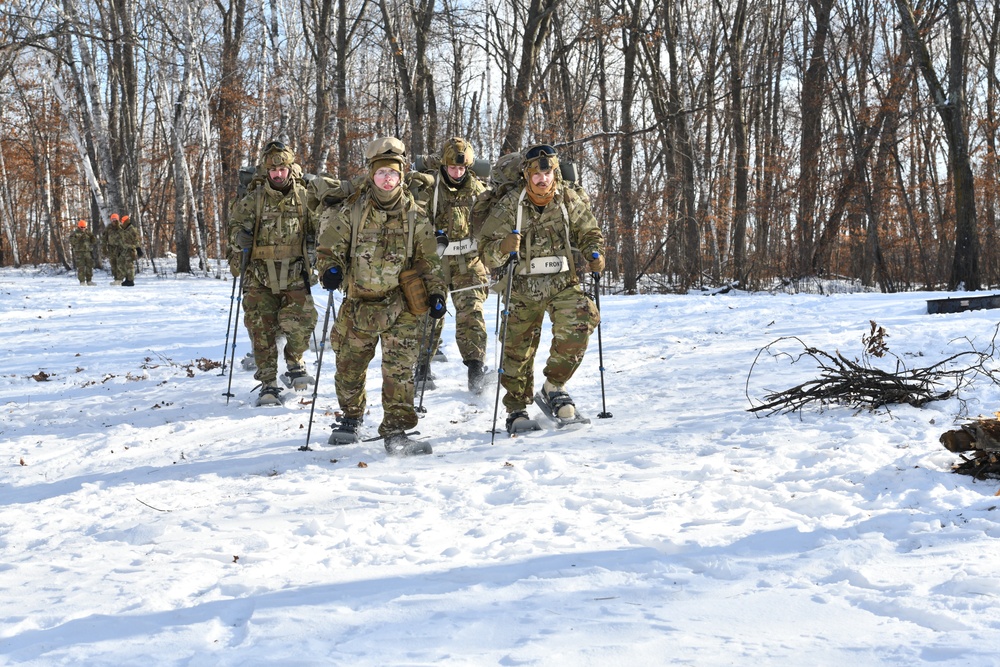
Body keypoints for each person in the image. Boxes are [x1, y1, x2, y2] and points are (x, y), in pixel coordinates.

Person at [314, 136, 446, 455]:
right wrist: (330, 269)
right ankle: (351, 418)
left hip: (401, 305)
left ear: (402, 176)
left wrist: (436, 293)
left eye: (393, 174)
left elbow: (428, 261)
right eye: (381, 173)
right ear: (371, 176)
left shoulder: (415, 216)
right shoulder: (352, 212)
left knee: (399, 371)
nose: (387, 179)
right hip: (359, 304)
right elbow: (329, 248)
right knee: (349, 366)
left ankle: (396, 431)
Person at [477, 143, 604, 434]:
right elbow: (486, 253)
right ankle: (516, 407)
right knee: (517, 346)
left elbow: (589, 231)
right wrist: (503, 247)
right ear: (526, 175)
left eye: (547, 174)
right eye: (536, 175)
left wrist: (594, 252)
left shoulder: (567, 198)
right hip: (522, 283)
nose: (542, 180)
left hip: (562, 281)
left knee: (582, 318)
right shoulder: (511, 204)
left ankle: (554, 386)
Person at [228, 140, 318, 406]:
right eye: (273, 170)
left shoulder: (304, 198)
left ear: (290, 168)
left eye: (282, 169)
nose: (278, 174)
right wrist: (239, 238)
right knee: (261, 330)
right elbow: (234, 228)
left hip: (295, 273)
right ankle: (268, 383)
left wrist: (317, 250)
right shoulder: (253, 200)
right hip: (259, 276)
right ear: (266, 171)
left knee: (302, 325)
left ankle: (294, 361)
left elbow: (321, 228)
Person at [409, 137, 489, 393]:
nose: (457, 173)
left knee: (472, 312)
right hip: (436, 260)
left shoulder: (478, 189)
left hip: (469, 261)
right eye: (453, 168)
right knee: (433, 310)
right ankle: (422, 365)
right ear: (444, 166)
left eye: (462, 168)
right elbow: (415, 220)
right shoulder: (430, 188)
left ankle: (475, 368)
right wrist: (432, 235)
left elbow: (491, 221)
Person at [68, 219, 96, 285]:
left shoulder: (88, 233)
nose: (83, 228)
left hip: (88, 252)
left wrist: (92, 237)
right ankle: (82, 281)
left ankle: (89, 280)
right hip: (79, 253)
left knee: (89, 266)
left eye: (84, 227)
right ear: (79, 227)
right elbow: (72, 241)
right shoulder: (75, 233)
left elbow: (94, 241)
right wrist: (79, 237)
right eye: (81, 227)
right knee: (81, 267)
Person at [117, 215, 140, 286]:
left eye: (123, 221)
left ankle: (130, 280)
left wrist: (137, 249)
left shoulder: (132, 229)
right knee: (121, 264)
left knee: (129, 266)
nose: (121, 223)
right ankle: (127, 278)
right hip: (124, 250)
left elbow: (136, 240)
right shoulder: (124, 229)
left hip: (130, 250)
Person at [102, 213, 123, 285]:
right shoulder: (108, 228)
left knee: (120, 264)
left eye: (115, 219)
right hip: (111, 248)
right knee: (113, 264)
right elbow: (104, 238)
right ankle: (116, 279)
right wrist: (104, 248)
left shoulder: (122, 227)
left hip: (120, 249)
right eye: (113, 219)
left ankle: (120, 279)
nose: (114, 221)